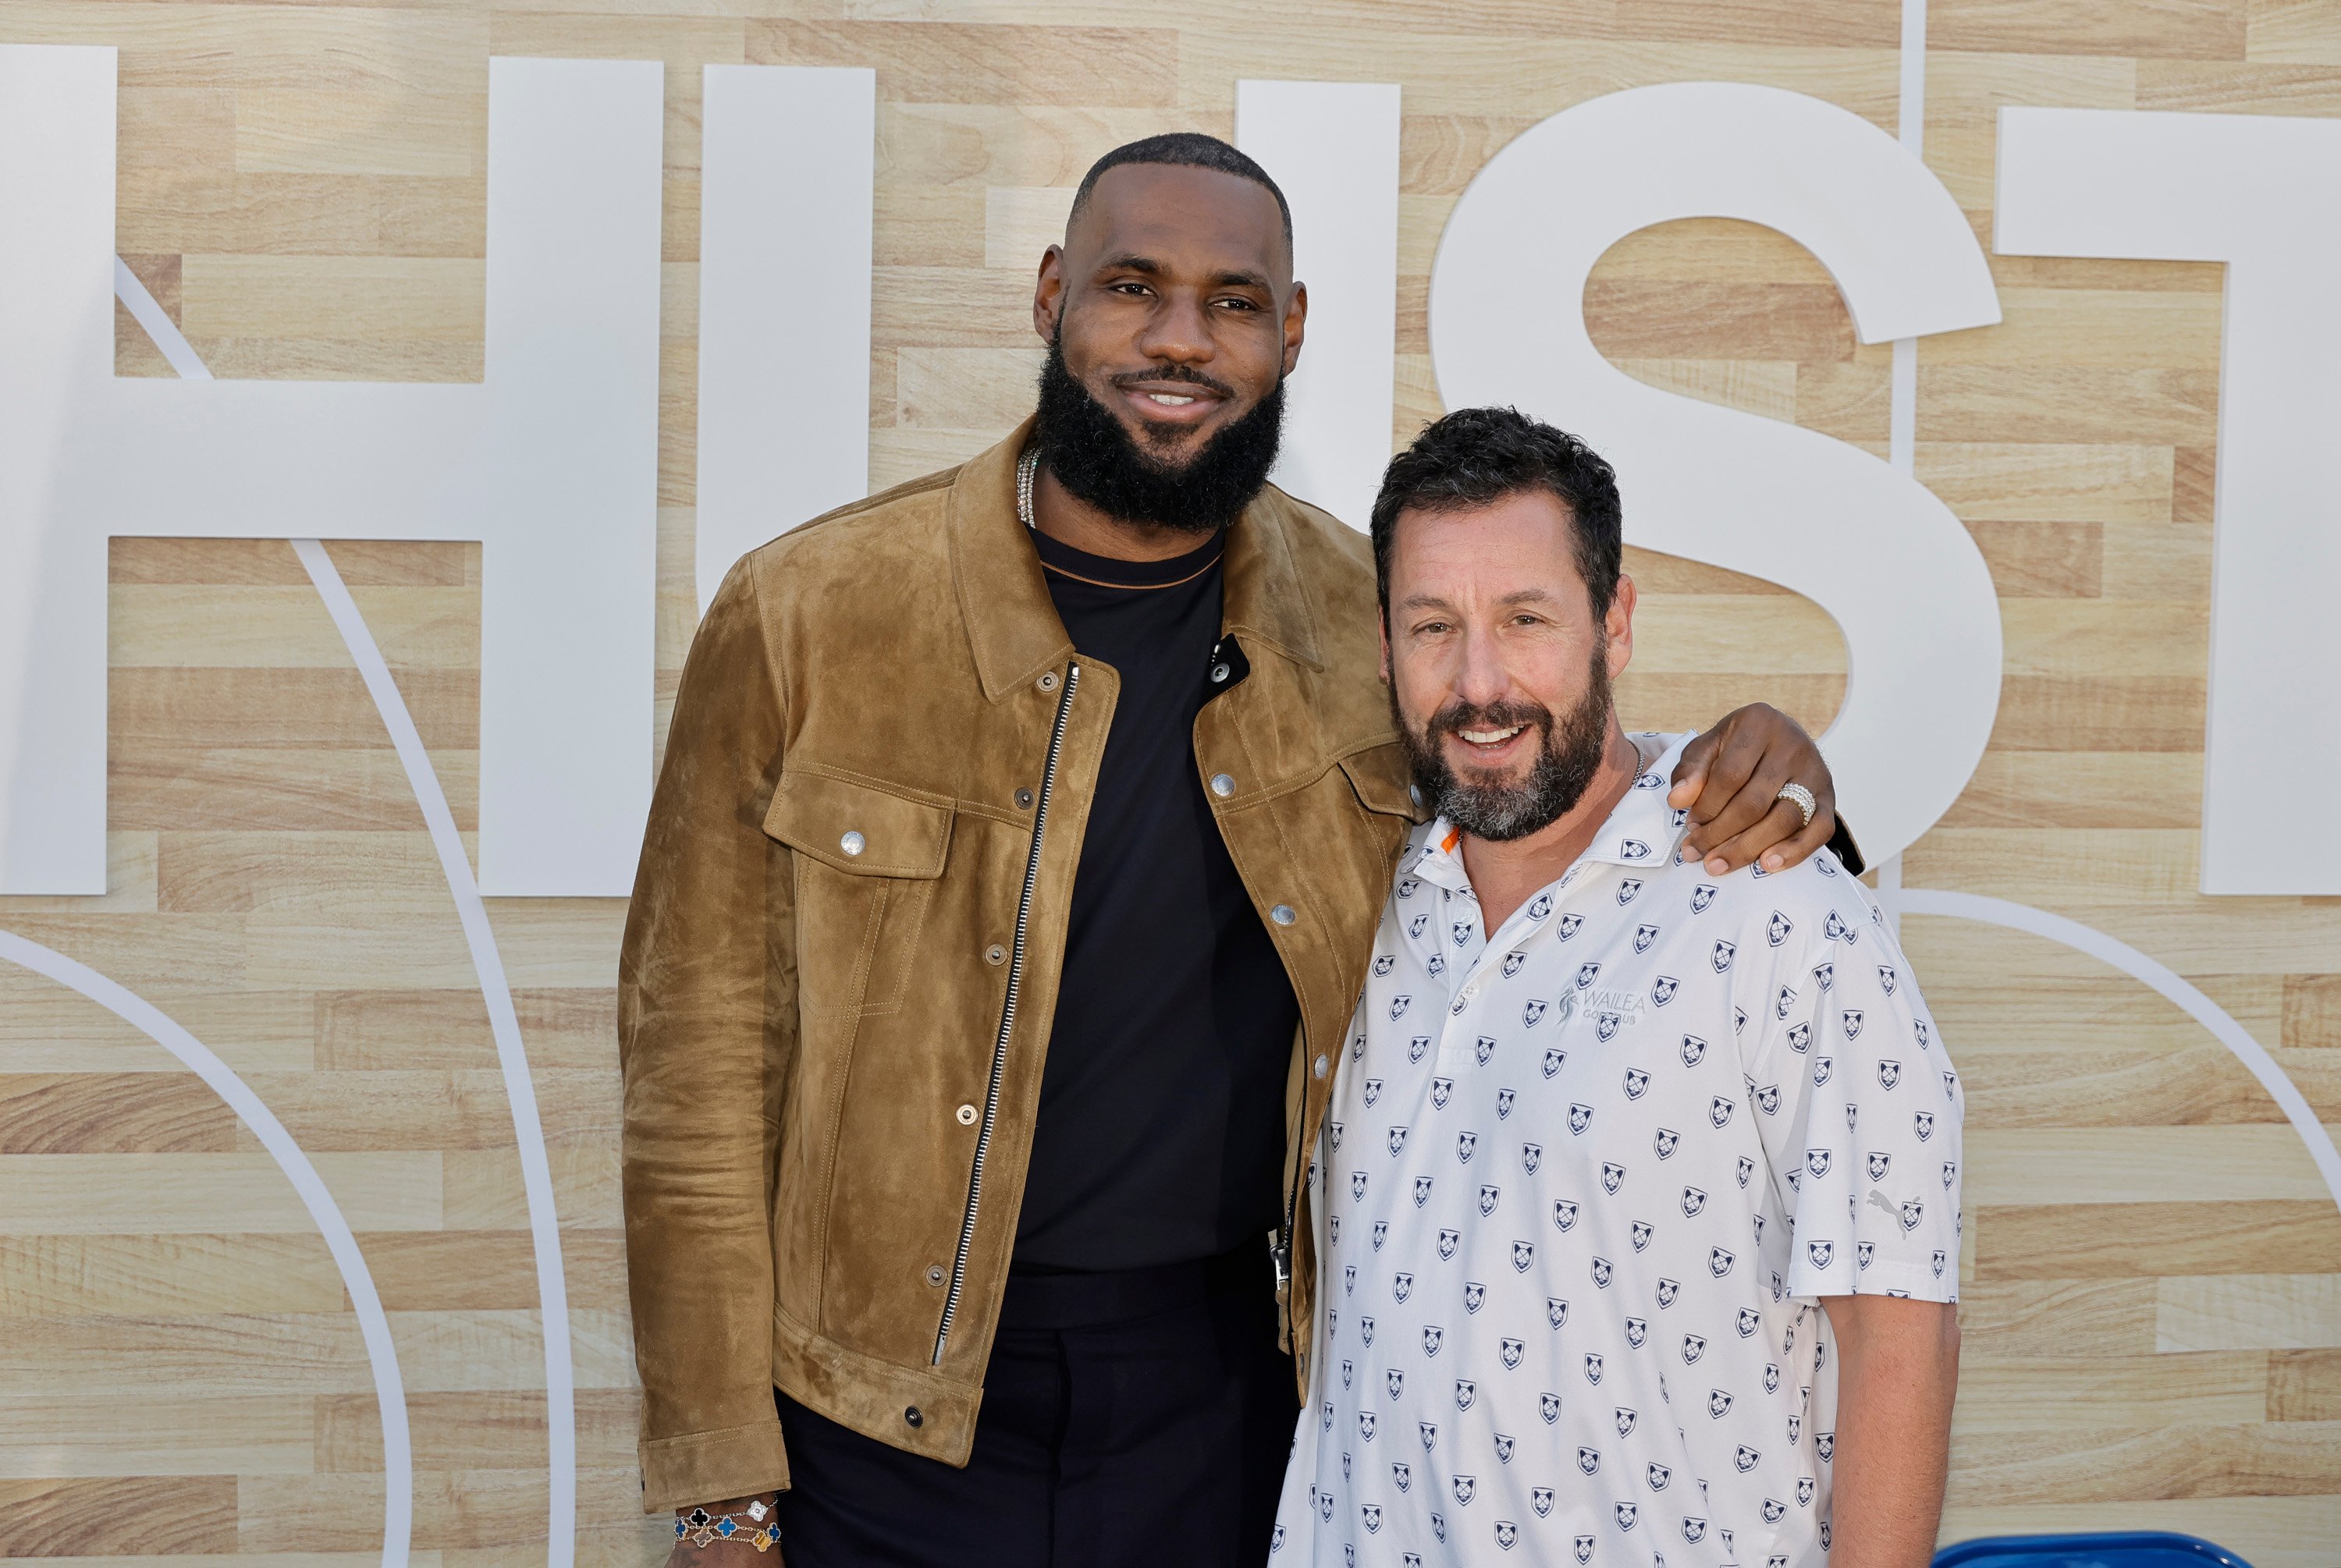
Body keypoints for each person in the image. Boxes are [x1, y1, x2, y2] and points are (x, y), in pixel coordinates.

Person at [620, 136, 1856, 1568]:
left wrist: (1756, 763)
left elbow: (1546, 778)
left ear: (1292, 331)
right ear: (1050, 299)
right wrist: (725, 1498)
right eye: (1131, 287)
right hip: (874, 1416)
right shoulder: (809, 611)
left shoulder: (1363, 613)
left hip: (1228, 1410)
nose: (1178, 339)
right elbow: (693, 1078)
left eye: (1233, 301)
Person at [1273, 406, 1962, 1568]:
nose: (1480, 683)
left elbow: (1899, 1330)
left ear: (1616, 622)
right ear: (1383, 646)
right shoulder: (1360, 887)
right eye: (1433, 625)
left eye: (1527, 620)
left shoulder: (1777, 907)